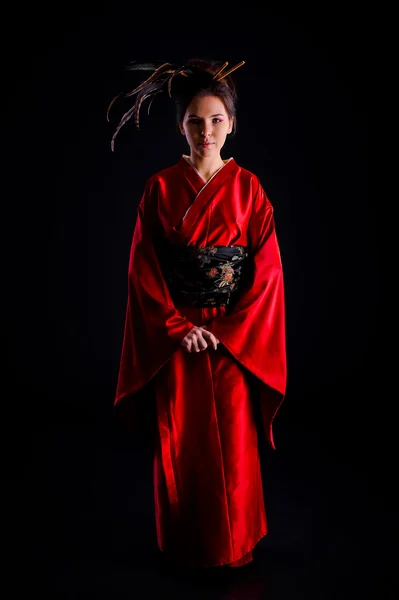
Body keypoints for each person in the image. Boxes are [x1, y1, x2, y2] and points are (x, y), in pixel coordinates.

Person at [109, 58, 287, 569]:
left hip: (231, 338)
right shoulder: (160, 189)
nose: (205, 131)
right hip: (180, 334)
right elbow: (143, 269)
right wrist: (177, 328)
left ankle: (236, 546)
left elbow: (268, 273)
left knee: (234, 444)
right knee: (182, 443)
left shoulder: (250, 189)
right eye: (194, 120)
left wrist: (227, 331)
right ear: (180, 125)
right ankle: (187, 545)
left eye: (215, 120)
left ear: (232, 123)